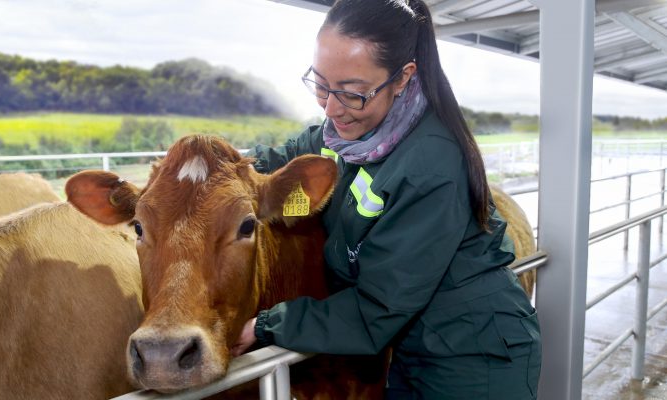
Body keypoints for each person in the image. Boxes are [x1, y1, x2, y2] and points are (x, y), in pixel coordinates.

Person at [230, 0, 541, 398]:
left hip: (474, 358)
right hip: (411, 350)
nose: (331, 108)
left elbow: (377, 308)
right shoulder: (341, 134)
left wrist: (265, 325)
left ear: (403, 77)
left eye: (352, 93)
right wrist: (207, 166)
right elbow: (280, 160)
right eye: (321, 85)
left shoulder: (430, 163)